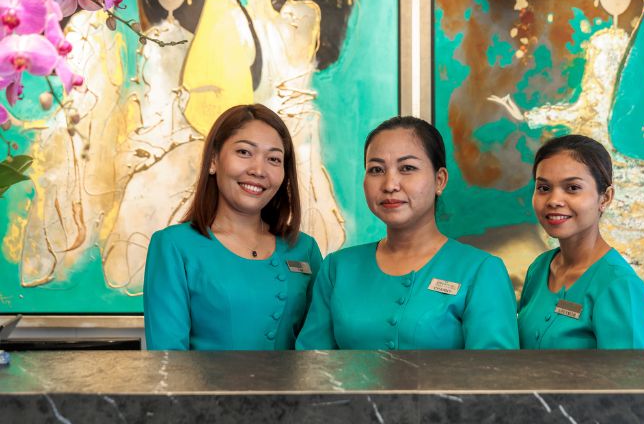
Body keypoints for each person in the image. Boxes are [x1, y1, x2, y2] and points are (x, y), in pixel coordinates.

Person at [296, 116, 519, 350]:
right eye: (376, 170)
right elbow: (313, 363)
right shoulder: (338, 268)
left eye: (407, 168)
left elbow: (494, 370)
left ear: (440, 180)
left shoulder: (481, 270)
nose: (390, 184)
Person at [143, 104, 322, 350]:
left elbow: (320, 347)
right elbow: (168, 359)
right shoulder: (174, 246)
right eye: (244, 152)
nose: (258, 170)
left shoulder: (304, 248)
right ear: (213, 160)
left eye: (273, 159)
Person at [517, 134, 644, 349]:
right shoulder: (539, 268)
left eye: (572, 188)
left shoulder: (620, 285)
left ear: (605, 198)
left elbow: (628, 370)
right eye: (544, 188)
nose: (554, 201)